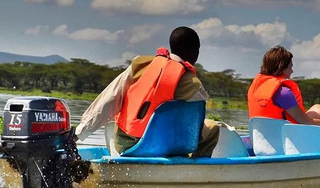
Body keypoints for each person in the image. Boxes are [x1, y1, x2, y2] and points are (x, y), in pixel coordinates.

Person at [75, 26, 219, 157]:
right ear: (194, 51)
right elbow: (195, 123)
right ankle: (192, 171)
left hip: (127, 144)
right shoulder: (192, 84)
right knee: (212, 128)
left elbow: (109, 100)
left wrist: (79, 133)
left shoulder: (140, 65)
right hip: (166, 146)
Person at [248, 45, 320, 131]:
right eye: (290, 67)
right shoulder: (284, 93)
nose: (292, 71)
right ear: (281, 68)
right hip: (284, 138)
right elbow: (306, 122)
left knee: (319, 108)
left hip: (262, 137)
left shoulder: (256, 88)